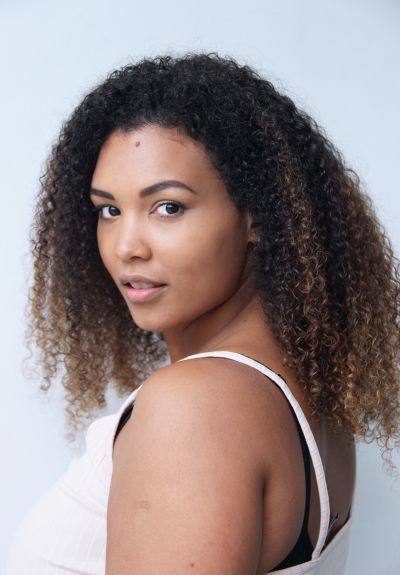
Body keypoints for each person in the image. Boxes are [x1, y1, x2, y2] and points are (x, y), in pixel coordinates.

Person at [7, 52, 400, 574]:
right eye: (109, 209)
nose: (126, 247)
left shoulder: (193, 408)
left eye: (168, 206)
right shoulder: (304, 388)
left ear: (258, 216)